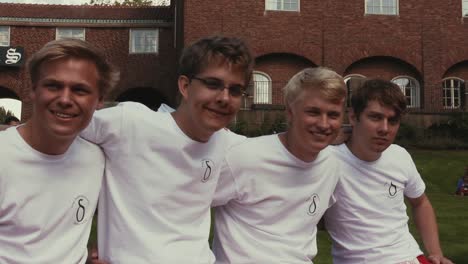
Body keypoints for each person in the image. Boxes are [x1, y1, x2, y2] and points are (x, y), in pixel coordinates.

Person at [82, 35, 254, 263]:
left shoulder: (233, 149)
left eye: (235, 91)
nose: (224, 98)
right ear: (184, 85)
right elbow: (54, 136)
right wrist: (75, 248)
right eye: (213, 84)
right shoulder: (130, 123)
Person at [0, 39, 118, 263]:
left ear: (99, 100)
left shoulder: (96, 159)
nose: (65, 99)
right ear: (33, 90)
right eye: (53, 86)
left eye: (80, 90)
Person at [211, 67, 347, 263]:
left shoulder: (332, 165)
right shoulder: (244, 157)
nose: (324, 124)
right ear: (290, 113)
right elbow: (186, 208)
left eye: (333, 115)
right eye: (313, 112)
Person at [324, 79, 453, 264]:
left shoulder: (399, 156)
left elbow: (421, 202)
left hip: (410, 257)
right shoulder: (326, 160)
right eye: (375, 117)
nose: (384, 128)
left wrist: (436, 252)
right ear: (352, 117)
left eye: (392, 121)